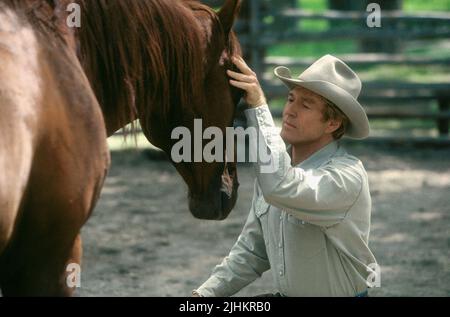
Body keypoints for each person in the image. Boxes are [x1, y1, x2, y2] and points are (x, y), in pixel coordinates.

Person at [193, 55, 378, 297]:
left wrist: (258, 105)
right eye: (291, 99)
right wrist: (204, 295)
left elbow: (280, 185)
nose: (290, 111)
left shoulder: (346, 177)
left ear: (332, 122)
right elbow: (252, 252)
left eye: (306, 105)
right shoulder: (275, 169)